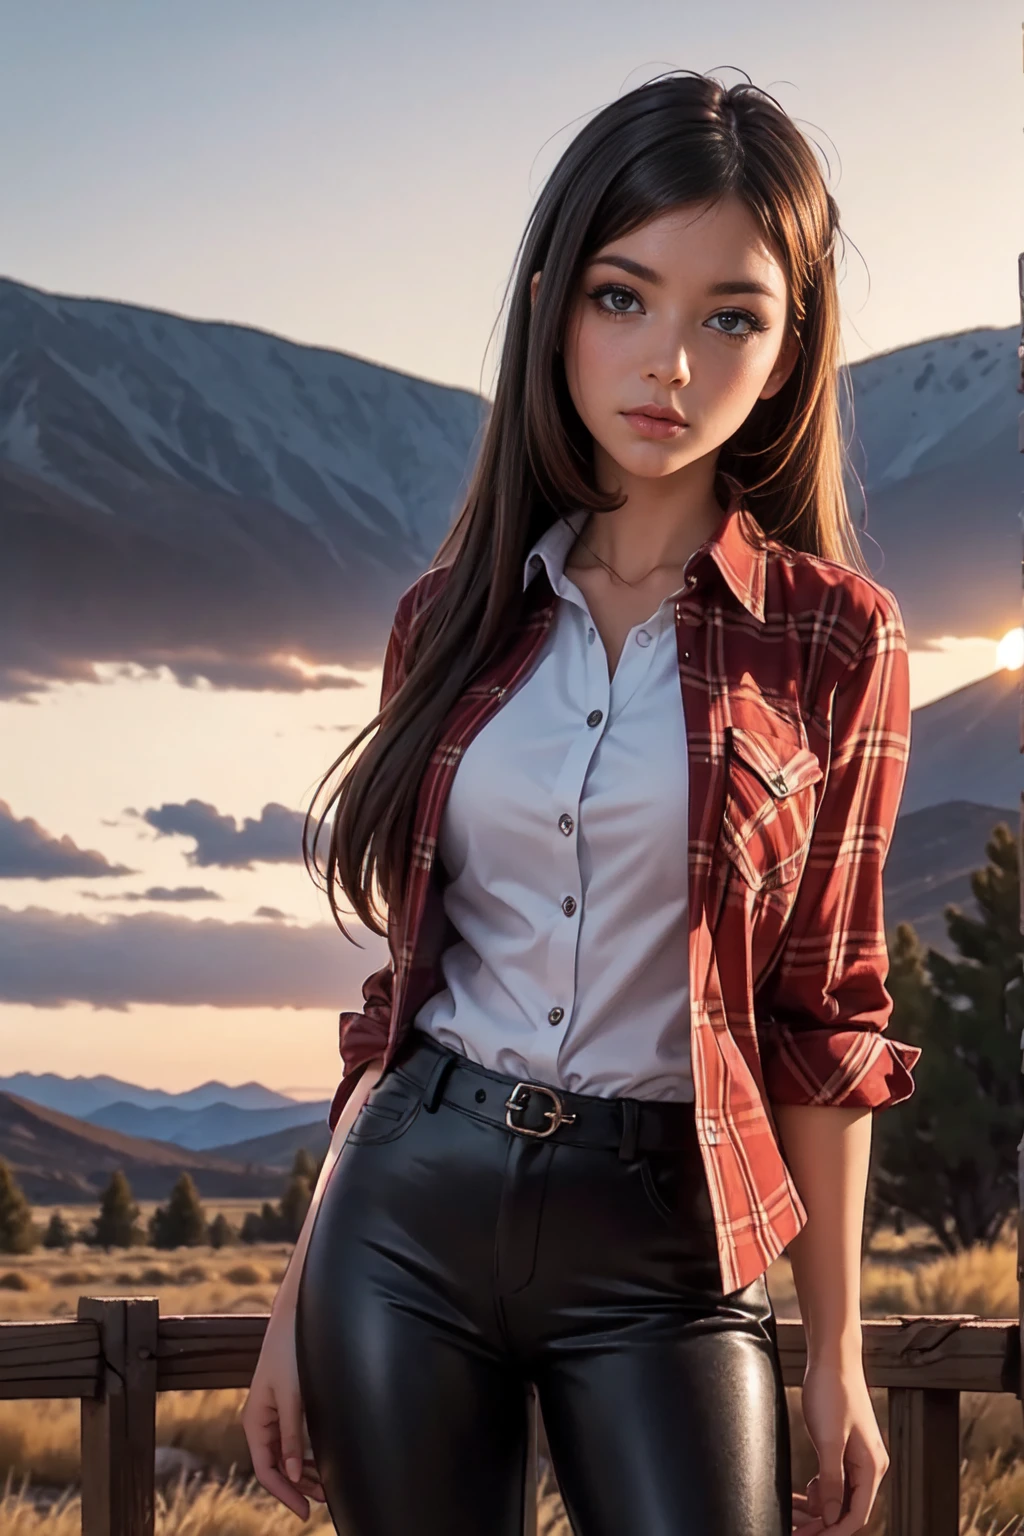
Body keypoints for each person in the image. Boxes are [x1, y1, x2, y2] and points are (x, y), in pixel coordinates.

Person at [241, 69, 921, 1536]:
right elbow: (403, 993)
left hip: (673, 1245)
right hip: (406, 1219)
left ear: (791, 346)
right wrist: (298, 1288)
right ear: (553, 302)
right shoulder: (449, 622)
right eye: (626, 297)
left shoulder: (834, 638)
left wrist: (836, 1357)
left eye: (730, 314)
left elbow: (830, 1016)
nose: (668, 359)